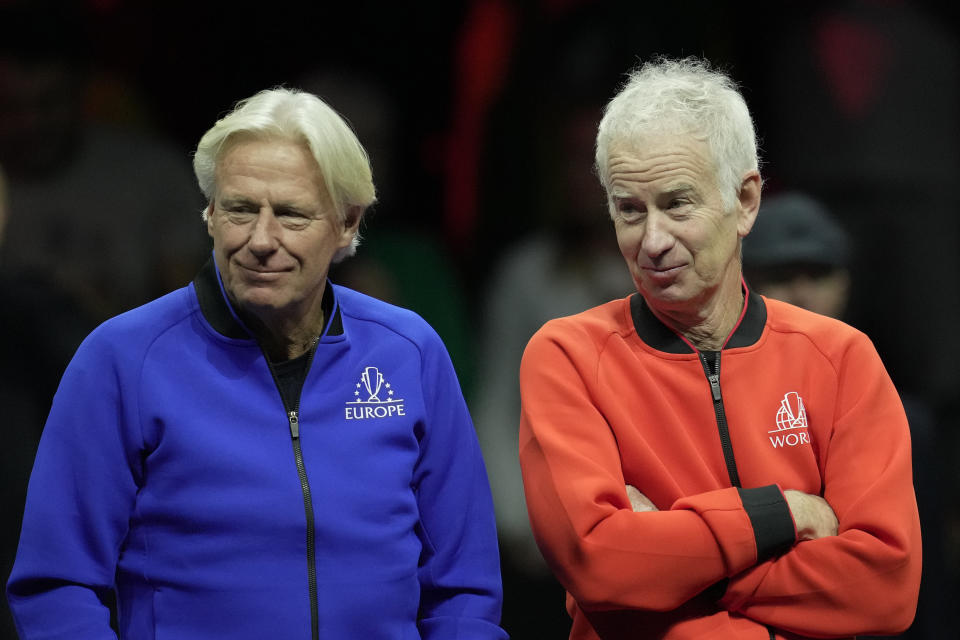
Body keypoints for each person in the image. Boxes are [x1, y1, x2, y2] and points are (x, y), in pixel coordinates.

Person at [7, 88, 506, 640]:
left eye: (291, 214)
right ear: (210, 213)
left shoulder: (409, 352)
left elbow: (464, 586)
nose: (261, 240)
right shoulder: (122, 360)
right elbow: (58, 587)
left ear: (346, 223)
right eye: (240, 209)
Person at [518, 58, 921, 639]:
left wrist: (671, 568)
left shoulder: (840, 357)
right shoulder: (568, 357)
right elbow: (599, 566)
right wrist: (781, 513)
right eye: (629, 209)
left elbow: (886, 587)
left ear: (747, 202)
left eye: (677, 203)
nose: (652, 241)